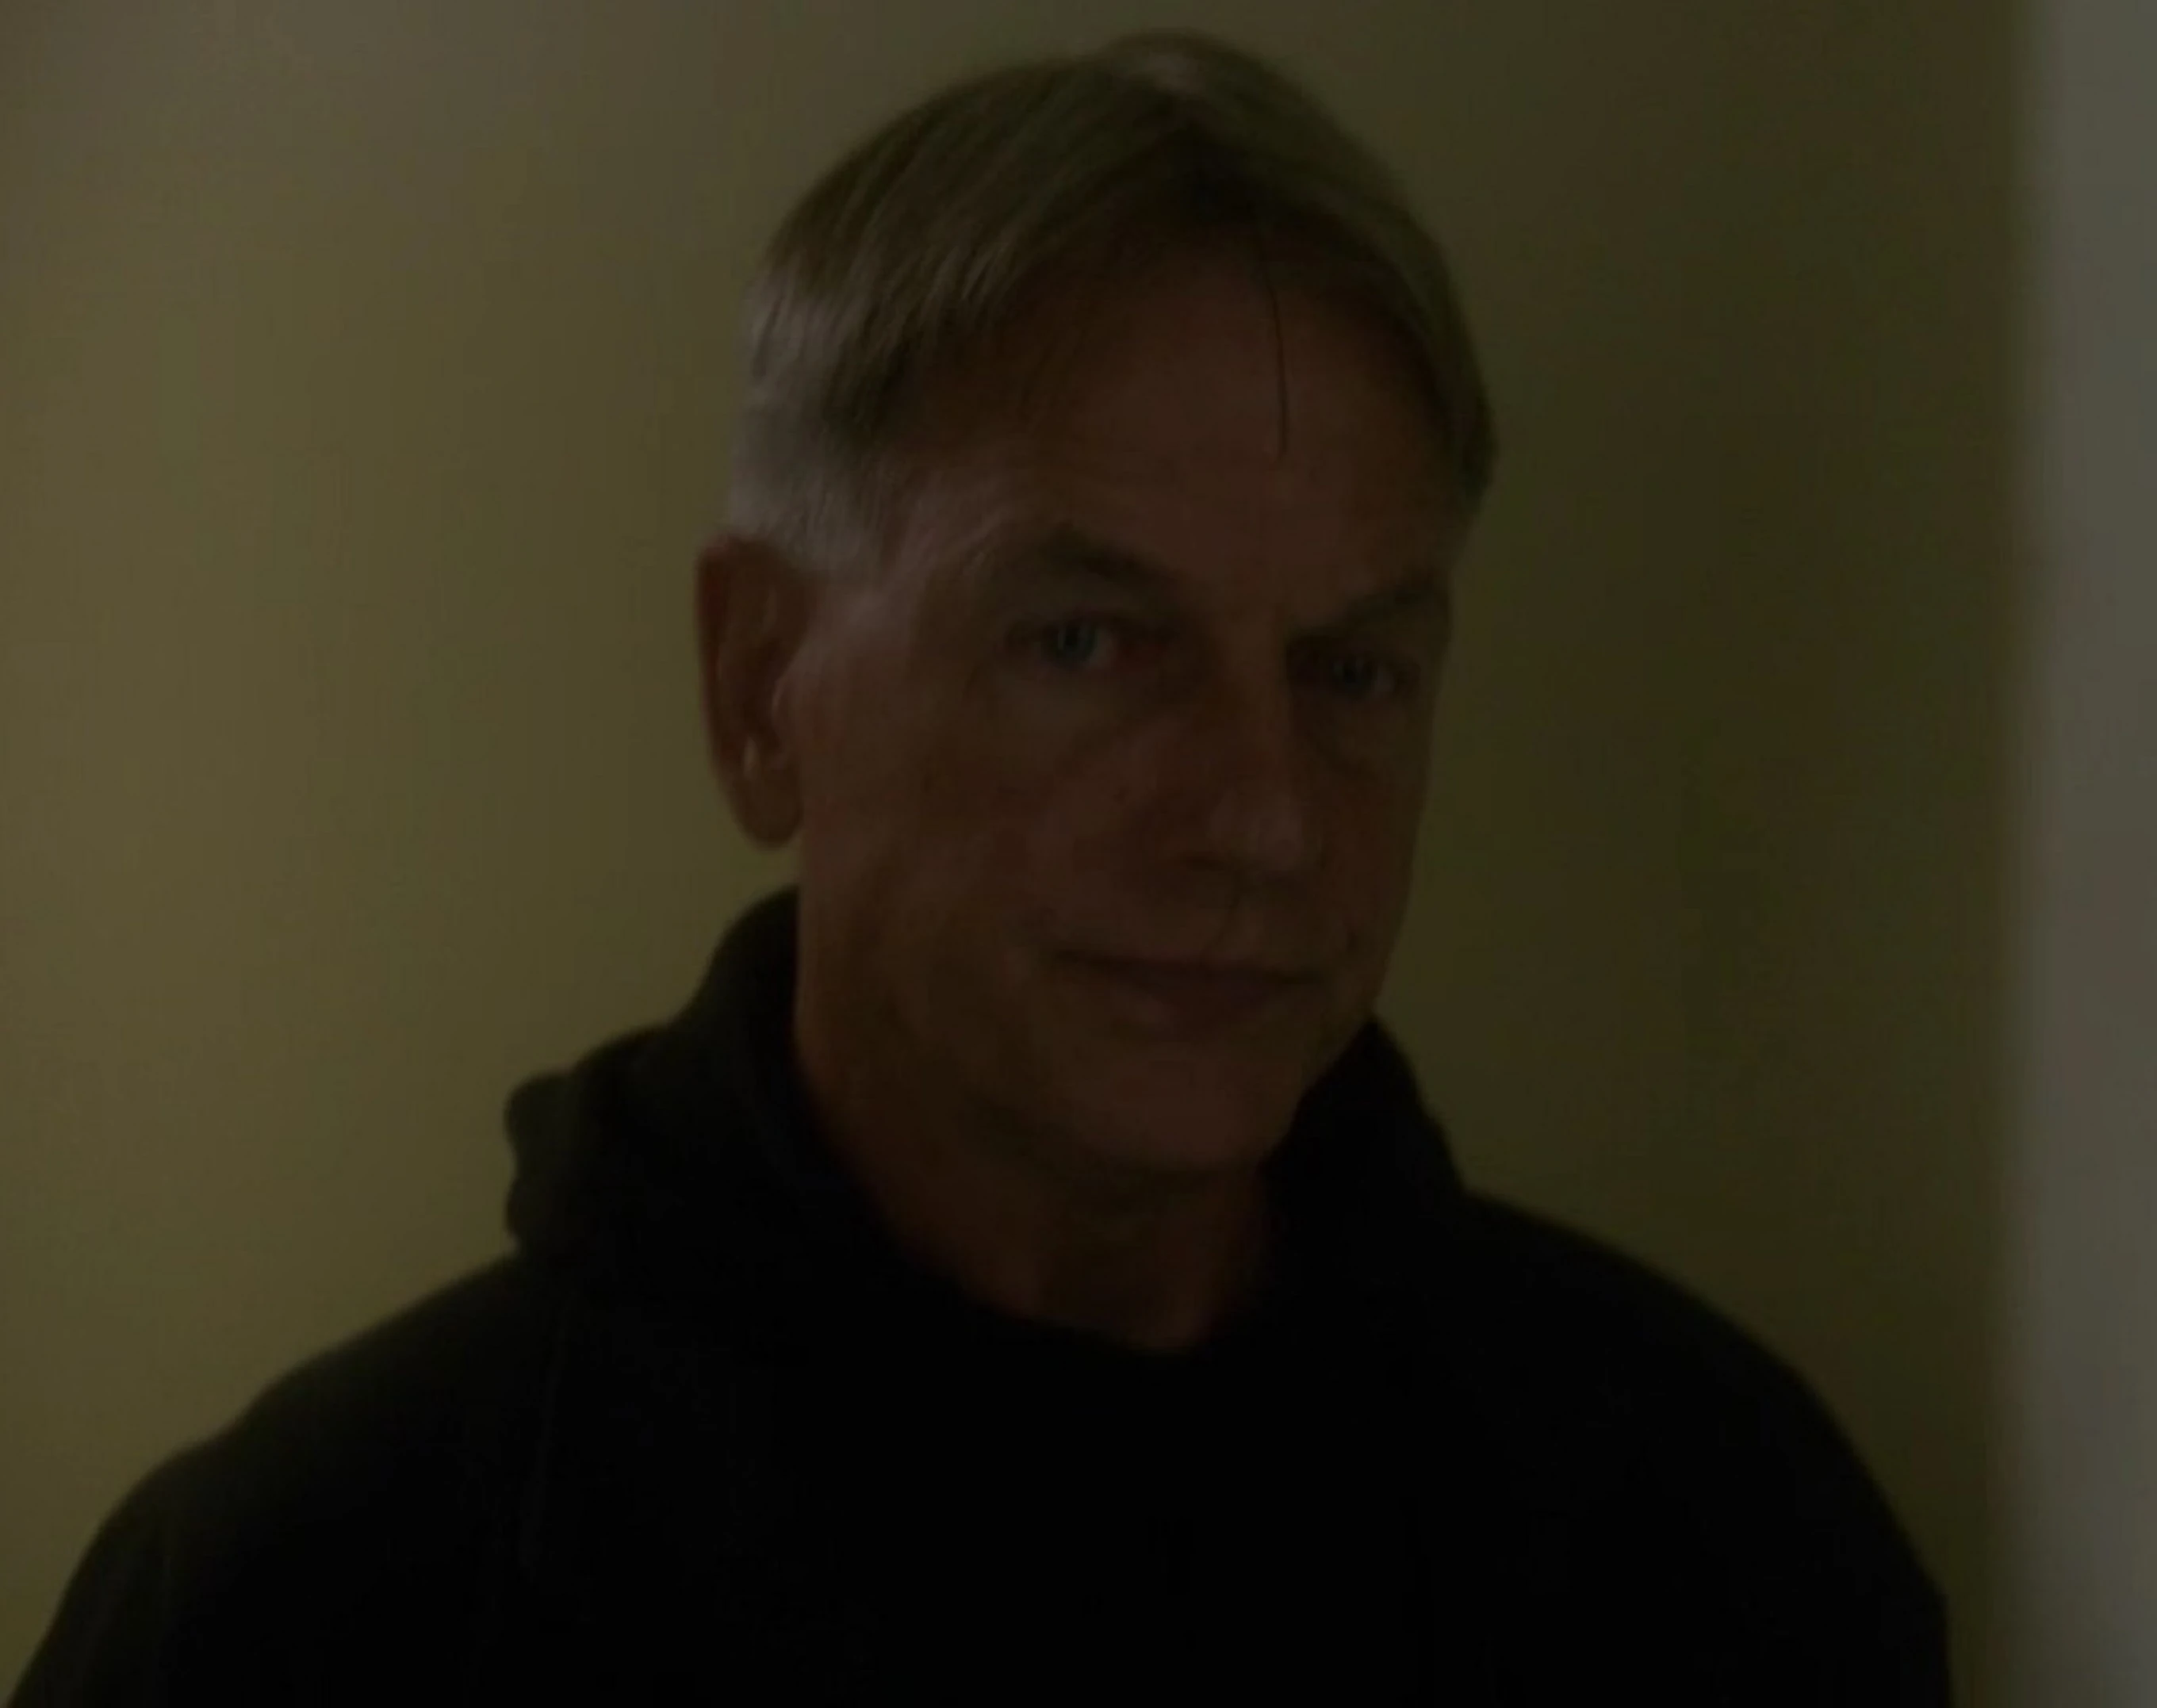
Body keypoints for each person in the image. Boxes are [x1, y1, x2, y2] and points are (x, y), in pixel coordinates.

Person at [15, 30, 1948, 1705]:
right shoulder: (296, 1612)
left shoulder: (1715, 1537)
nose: (1267, 820)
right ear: (762, 688)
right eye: (1087, 644)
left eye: (1352, 671)